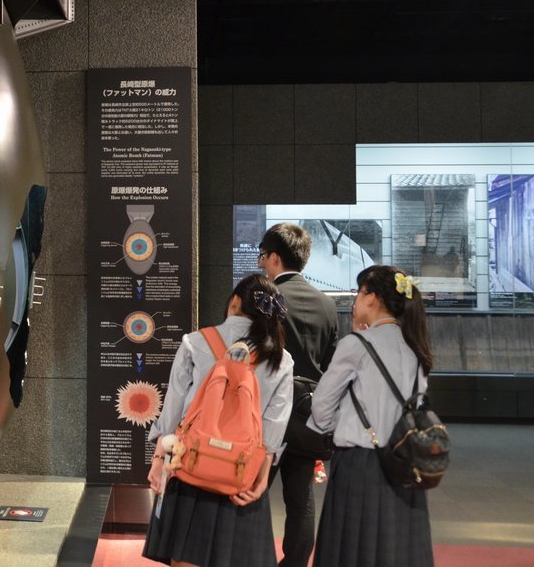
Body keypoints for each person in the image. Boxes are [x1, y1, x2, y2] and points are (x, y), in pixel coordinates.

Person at [143, 274, 295, 567]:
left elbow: (174, 408)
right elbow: (274, 424)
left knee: (185, 556)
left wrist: (160, 458)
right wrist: (262, 476)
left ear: (235, 302)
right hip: (241, 473)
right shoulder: (281, 359)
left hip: (190, 464)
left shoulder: (196, 342)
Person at [308, 265, 435, 567]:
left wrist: (338, 426)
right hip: (404, 462)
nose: (355, 300)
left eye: (359, 292)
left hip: (359, 464)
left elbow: (321, 408)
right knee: (397, 551)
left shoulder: (356, 345)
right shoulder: (415, 347)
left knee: (353, 551)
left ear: (373, 298)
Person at [257, 222, 338, 567]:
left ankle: (250, 557)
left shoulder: (267, 299)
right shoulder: (327, 305)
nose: (261, 263)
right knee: (301, 498)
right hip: (308, 416)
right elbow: (330, 367)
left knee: (253, 491)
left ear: (275, 258)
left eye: (262, 255)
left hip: (268, 414)